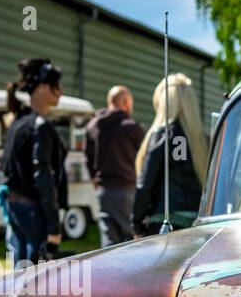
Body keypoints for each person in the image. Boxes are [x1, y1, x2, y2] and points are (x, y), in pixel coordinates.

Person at [0, 57, 67, 262]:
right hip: (32, 211)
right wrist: (54, 226)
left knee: (19, 274)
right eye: (55, 85)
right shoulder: (40, 125)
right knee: (35, 280)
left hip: (14, 207)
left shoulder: (17, 122)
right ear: (40, 87)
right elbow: (43, 174)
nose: (60, 91)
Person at [132, 73, 208, 235]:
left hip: (164, 227)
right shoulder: (204, 141)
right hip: (198, 228)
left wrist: (137, 222)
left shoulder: (162, 136)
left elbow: (145, 184)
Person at [85, 85, 145, 247]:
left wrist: (94, 180)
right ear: (125, 102)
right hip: (127, 190)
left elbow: (88, 159)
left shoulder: (92, 126)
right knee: (130, 241)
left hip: (103, 190)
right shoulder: (131, 127)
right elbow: (146, 156)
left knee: (109, 241)